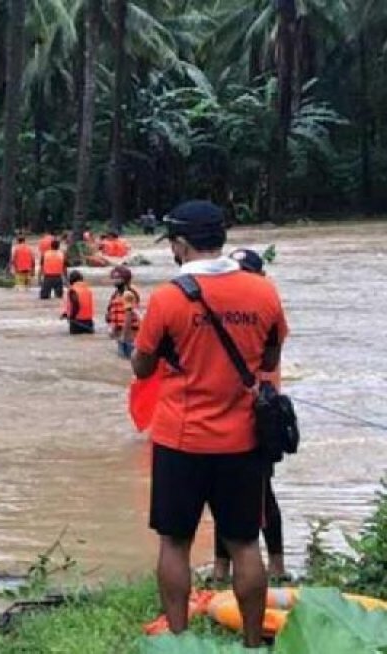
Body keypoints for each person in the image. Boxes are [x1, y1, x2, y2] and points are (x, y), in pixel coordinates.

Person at [132, 200, 288, 649]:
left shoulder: (167, 298)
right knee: (243, 543)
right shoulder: (263, 292)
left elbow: (142, 368)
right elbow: (270, 360)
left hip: (180, 439)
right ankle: (253, 642)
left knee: (175, 542)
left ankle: (180, 640)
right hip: (242, 439)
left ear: (181, 245)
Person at [212, 247, 287, 583]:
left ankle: (277, 564)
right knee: (220, 494)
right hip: (223, 411)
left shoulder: (266, 305)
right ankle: (220, 567)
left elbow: (270, 358)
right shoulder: (228, 304)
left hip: (259, 414)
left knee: (261, 492)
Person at [107, 265, 141, 359]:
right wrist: (113, 330)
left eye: (118, 278)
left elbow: (128, 316)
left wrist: (123, 336)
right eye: (113, 278)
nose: (115, 281)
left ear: (125, 279)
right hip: (121, 337)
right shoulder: (116, 295)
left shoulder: (128, 294)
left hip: (129, 338)